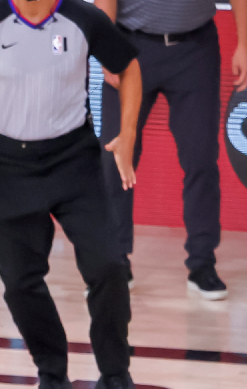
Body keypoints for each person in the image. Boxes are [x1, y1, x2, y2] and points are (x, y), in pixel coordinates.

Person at [0, 0, 147, 389]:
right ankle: (53, 375)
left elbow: (129, 67)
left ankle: (115, 375)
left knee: (108, 265)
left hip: (74, 160)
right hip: (10, 167)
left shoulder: (84, 19)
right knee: (20, 281)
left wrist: (127, 134)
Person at [97, 0, 247, 300]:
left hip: (195, 48)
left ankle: (202, 263)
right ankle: (114, 261)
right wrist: (107, 47)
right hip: (131, 45)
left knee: (201, 158)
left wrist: (244, 43)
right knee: (117, 156)